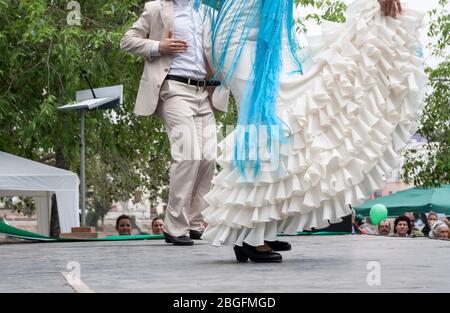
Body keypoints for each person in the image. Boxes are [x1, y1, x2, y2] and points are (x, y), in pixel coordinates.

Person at [200, 0, 425, 262]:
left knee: (288, 120)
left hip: (272, 31)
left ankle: (261, 226)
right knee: (266, 124)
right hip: (240, 33)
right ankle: (249, 234)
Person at [120, 0, 230, 246]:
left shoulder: (207, 12)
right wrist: (159, 46)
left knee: (209, 157)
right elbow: (126, 40)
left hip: (204, 92)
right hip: (174, 89)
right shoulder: (156, 8)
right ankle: (174, 227)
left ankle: (194, 221)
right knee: (188, 154)